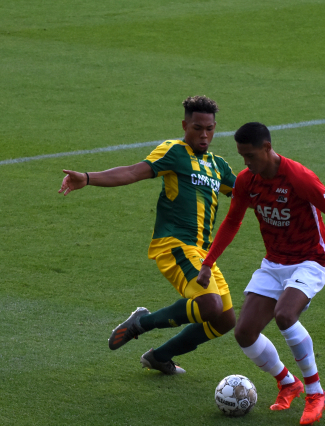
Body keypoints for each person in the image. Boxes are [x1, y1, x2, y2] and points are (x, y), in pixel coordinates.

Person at [196, 122, 325, 426]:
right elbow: (233, 221)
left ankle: (316, 394)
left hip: (310, 260)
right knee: (244, 332)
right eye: (241, 157)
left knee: (285, 315)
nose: (245, 164)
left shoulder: (298, 177)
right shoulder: (248, 181)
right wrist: (208, 262)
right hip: (274, 263)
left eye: (249, 156)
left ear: (266, 148)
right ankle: (288, 382)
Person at [58, 96, 237, 375]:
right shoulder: (174, 152)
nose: (204, 135)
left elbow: (248, 194)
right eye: (197, 128)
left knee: (225, 320)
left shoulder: (219, 165)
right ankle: (143, 322)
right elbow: (132, 172)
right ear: (184, 125)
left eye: (210, 129)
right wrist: (88, 177)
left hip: (204, 253)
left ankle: (159, 357)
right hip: (175, 245)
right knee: (209, 305)